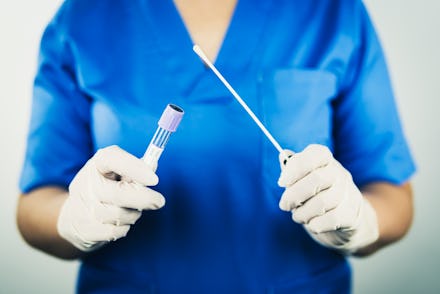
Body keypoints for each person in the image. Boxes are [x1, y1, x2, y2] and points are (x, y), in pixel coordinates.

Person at [16, 0, 415, 293]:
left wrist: (361, 222)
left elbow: (394, 196)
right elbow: (33, 207)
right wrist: (73, 217)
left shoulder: (333, 13)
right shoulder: (83, 19)